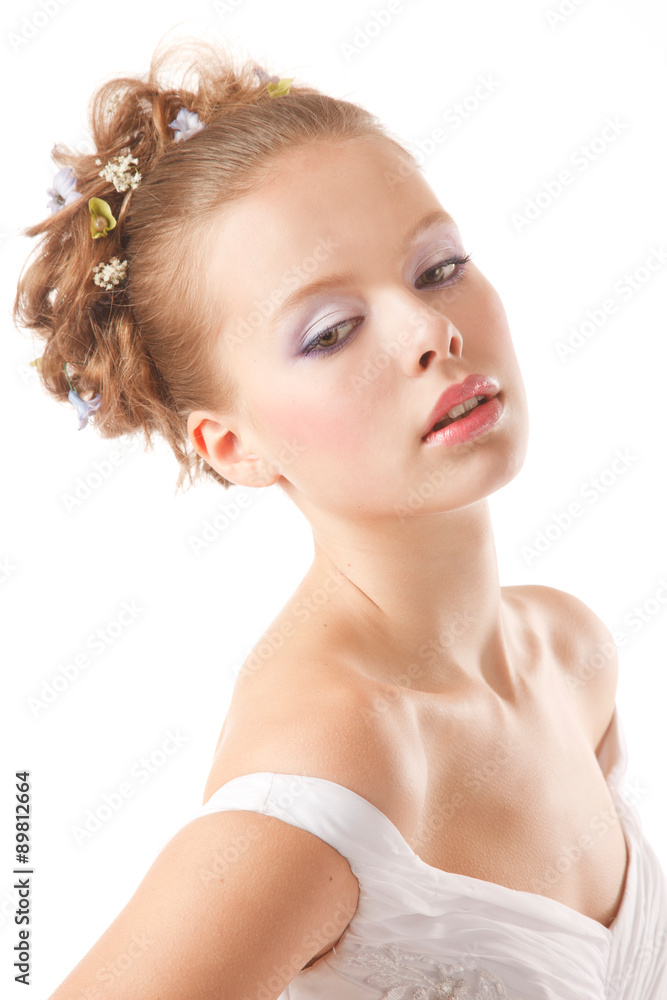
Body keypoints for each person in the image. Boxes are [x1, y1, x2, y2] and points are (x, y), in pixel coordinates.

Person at [15, 35, 667, 1000]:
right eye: (329, 332)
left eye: (438, 267)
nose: (431, 331)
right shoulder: (327, 779)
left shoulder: (570, 655)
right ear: (230, 445)